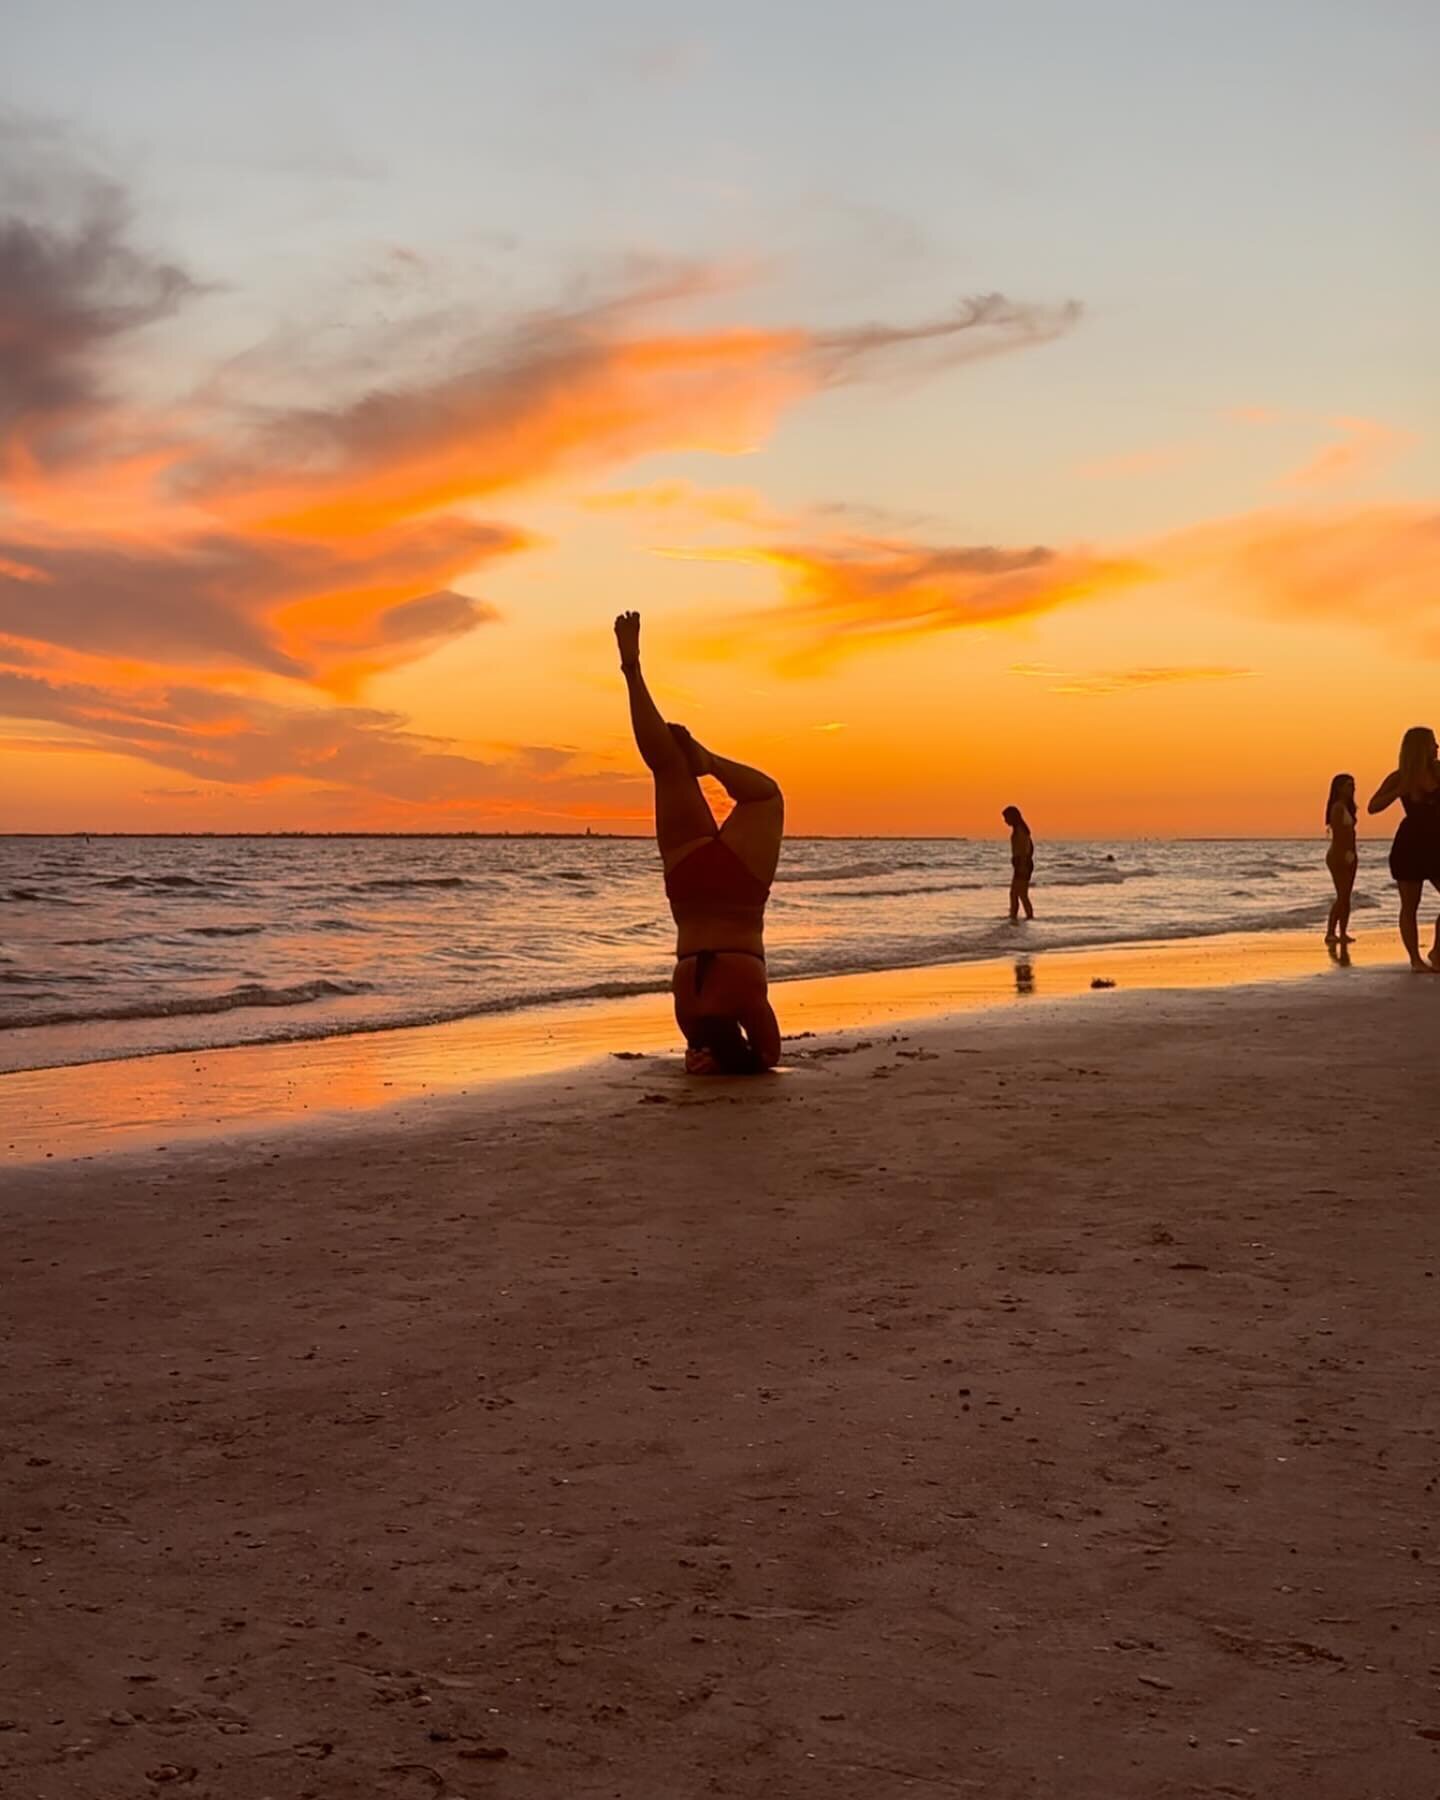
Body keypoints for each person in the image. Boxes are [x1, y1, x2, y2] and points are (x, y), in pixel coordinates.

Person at [615, 610, 783, 1072]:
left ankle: (709, 761)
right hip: (688, 897)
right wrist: (711, 1061)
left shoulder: (749, 999)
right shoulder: (687, 1013)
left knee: (767, 796)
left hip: (739, 896)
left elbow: (768, 1055)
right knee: (666, 766)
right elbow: (737, 1055)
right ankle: (632, 672)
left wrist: (740, 1062)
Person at [1367, 725, 1440, 971]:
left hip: (1437, 844)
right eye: (1433, 743)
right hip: (1410, 845)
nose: (1437, 747)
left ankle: (1437, 951)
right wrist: (1399, 791)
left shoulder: (1439, 773)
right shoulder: (1399, 777)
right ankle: (1415, 959)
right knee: (1410, 905)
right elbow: (1372, 806)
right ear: (1420, 748)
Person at [1323, 772, 1358, 945]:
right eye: (1349, 785)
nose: (1352, 789)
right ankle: (1330, 931)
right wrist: (1346, 853)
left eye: (1353, 785)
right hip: (1339, 854)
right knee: (1342, 895)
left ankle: (1343, 932)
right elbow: (1340, 834)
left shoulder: (1347, 807)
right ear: (1339, 788)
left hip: (1349, 853)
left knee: (1346, 895)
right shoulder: (1337, 808)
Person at [1002, 805, 1035, 921]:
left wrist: (1023, 863)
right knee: (1016, 893)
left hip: (1023, 864)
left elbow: (1026, 847)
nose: (1005, 821)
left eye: (1006, 818)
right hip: (1021, 864)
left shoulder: (1021, 830)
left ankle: (1025, 916)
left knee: (1020, 893)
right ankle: (1015, 915)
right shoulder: (1019, 829)